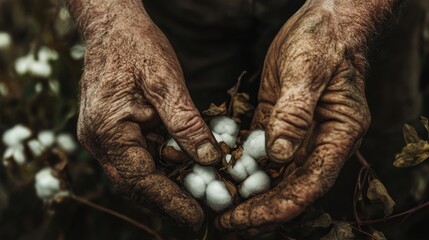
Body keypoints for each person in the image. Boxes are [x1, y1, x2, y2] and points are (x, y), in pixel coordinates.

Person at [66, 0, 406, 232]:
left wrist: (348, 17)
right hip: (173, 14)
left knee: (345, 156)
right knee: (162, 137)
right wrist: (109, 19)